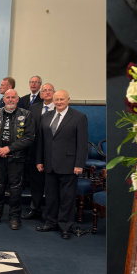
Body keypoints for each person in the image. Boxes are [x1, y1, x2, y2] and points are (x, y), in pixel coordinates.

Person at [35, 90, 88, 240]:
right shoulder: (46, 116)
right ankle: (50, 222)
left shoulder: (79, 117)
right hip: (49, 164)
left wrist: (79, 164)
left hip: (69, 165)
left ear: (68, 100)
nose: (59, 102)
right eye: (56, 99)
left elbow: (82, 143)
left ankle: (65, 226)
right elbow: (41, 141)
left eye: (62, 99)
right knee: (51, 196)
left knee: (67, 198)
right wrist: (39, 160)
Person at [0, 90, 34, 229]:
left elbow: (29, 137)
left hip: (16, 158)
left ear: (18, 99)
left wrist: (9, 148)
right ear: (4, 99)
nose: (11, 99)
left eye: (13, 97)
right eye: (8, 97)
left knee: (15, 189)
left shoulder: (26, 115)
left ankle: (14, 217)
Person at [24, 83, 56, 219]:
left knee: (51, 185)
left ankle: (50, 213)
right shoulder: (34, 108)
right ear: (41, 94)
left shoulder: (60, 108)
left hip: (53, 153)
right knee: (36, 183)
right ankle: (35, 208)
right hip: (35, 151)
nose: (47, 92)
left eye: (50, 90)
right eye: (44, 91)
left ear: (54, 93)